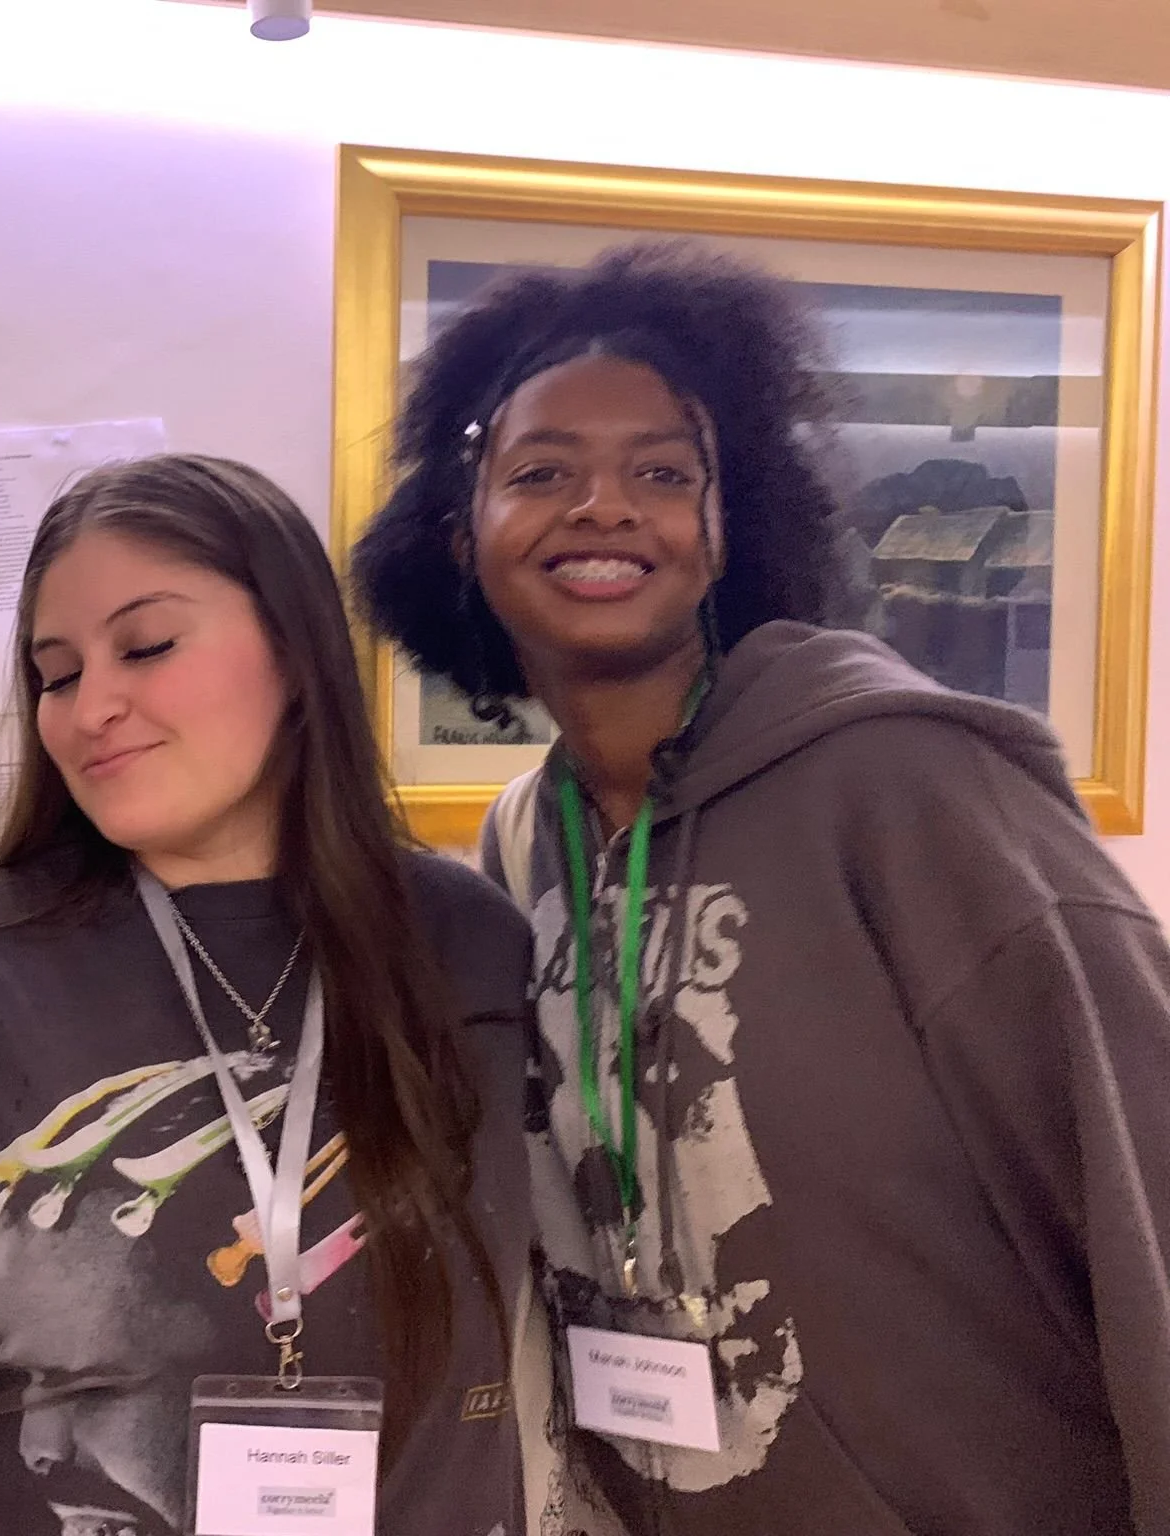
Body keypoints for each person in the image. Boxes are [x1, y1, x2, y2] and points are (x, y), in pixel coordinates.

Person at [353, 240, 1170, 1536]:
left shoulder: (912, 785)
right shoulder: (522, 846)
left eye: (664, 473)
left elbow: (1146, 1193)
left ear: (732, 524)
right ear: (462, 534)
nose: (605, 507)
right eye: (544, 472)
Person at [0, 454, 533, 1536]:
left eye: (146, 646)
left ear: (297, 653)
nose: (88, 707)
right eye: (54, 674)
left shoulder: (468, 944)